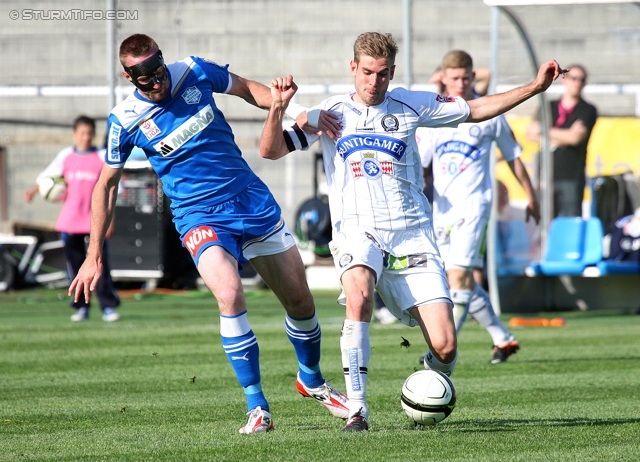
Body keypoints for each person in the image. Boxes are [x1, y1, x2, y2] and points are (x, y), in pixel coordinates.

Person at [260, 32, 565, 431]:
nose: (374, 82)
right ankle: (357, 409)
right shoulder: (329, 114)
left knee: (446, 345)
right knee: (359, 296)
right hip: (357, 230)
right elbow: (271, 150)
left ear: (393, 72)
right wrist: (277, 110)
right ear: (353, 68)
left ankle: (427, 378)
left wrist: (536, 88)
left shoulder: (412, 103)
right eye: (367, 72)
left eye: (383, 74)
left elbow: (476, 109)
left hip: (411, 234)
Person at [68, 33, 348, 434]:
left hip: (249, 199)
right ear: (132, 79)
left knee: (300, 299)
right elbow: (105, 185)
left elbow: (251, 90)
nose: (158, 82)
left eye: (159, 72)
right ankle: (257, 406)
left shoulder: (194, 71)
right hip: (198, 215)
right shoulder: (125, 120)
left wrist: (293, 108)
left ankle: (312, 379)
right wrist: (94, 254)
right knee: (230, 294)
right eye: (147, 80)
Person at [417, 50, 540, 364]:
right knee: (454, 280)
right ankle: (504, 339)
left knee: (458, 278)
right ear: (443, 78)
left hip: (475, 206)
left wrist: (531, 196)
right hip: (442, 209)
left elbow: (513, 157)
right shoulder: (433, 116)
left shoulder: (489, 114)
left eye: (465, 76)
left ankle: (441, 355)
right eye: (454, 77)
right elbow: (421, 165)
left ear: (473, 76)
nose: (460, 82)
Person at [25, 115, 121, 322]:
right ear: (74, 134)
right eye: (82, 133)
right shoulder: (65, 156)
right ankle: (81, 308)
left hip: (95, 220)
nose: (86, 137)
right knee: (76, 267)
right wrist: (34, 191)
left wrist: (110, 221)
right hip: (70, 220)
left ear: (93, 135)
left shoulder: (102, 156)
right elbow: (47, 178)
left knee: (100, 264)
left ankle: (108, 307)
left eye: (89, 133)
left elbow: (113, 189)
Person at [526, 64, 597, 217]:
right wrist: (562, 136)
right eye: (574, 78)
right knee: (546, 225)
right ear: (564, 80)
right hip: (545, 175)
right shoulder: (548, 107)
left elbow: (574, 138)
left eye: (582, 79)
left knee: (570, 224)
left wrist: (544, 132)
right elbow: (530, 133)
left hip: (571, 177)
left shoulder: (587, 109)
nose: (577, 82)